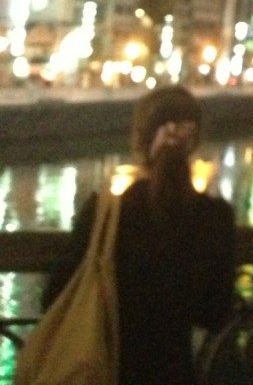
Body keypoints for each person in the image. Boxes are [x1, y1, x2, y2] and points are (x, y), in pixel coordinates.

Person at [45, 84, 236, 385]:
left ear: (139, 140)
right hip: (174, 373)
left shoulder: (104, 213)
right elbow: (215, 314)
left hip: (105, 371)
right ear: (194, 142)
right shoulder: (215, 216)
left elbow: (54, 297)